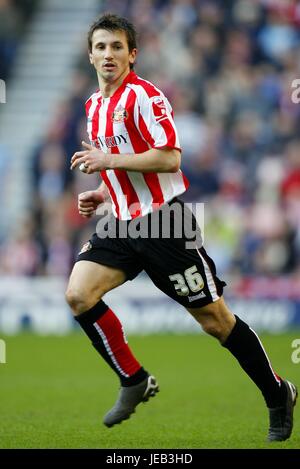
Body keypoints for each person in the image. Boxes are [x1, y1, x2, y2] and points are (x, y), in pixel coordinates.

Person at [65, 13, 297, 440]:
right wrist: (103, 190)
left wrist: (108, 161)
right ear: (90, 55)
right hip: (120, 223)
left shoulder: (145, 97)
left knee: (215, 321)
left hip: (165, 224)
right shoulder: (93, 106)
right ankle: (133, 379)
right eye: (100, 47)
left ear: (132, 55)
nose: (108, 54)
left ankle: (277, 391)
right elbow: (121, 164)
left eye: (117, 46)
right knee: (79, 294)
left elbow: (169, 157)